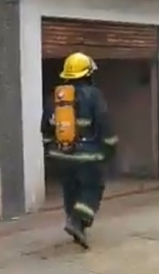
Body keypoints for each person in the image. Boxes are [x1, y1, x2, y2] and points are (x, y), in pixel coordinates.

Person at [41, 52, 118, 249]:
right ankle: (77, 221)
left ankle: (75, 226)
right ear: (87, 74)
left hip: (61, 155)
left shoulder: (55, 97)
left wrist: (50, 151)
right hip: (87, 156)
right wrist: (110, 147)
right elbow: (104, 123)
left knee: (71, 190)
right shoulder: (94, 95)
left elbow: (45, 128)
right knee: (92, 188)